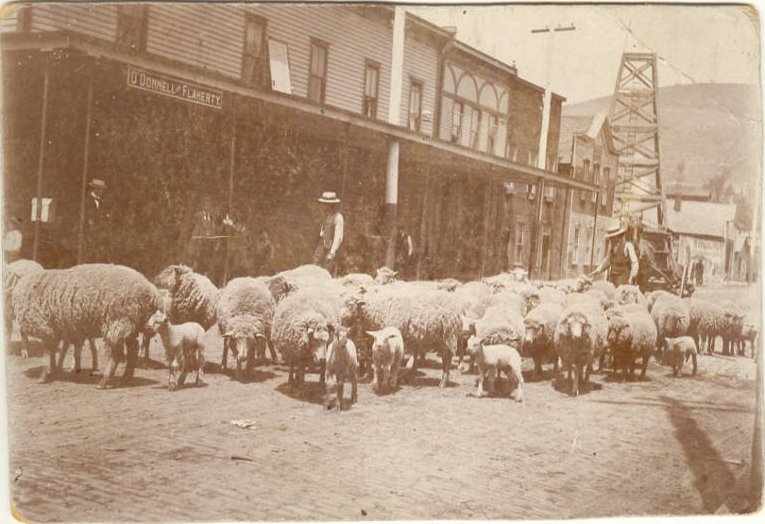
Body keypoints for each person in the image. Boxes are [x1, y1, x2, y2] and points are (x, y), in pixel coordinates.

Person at [313, 191, 344, 276]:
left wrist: (332, 252)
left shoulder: (338, 217)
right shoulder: (326, 216)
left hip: (331, 248)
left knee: (328, 271)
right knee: (315, 267)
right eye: (323, 204)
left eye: (325, 204)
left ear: (331, 205)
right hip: (323, 246)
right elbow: (323, 230)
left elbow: (338, 237)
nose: (323, 206)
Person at [84, 178, 111, 262]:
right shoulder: (86, 200)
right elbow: (88, 216)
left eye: (102, 190)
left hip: (99, 231)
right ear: (95, 189)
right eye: (100, 189)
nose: (102, 192)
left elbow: (104, 215)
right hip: (89, 232)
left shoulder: (102, 201)